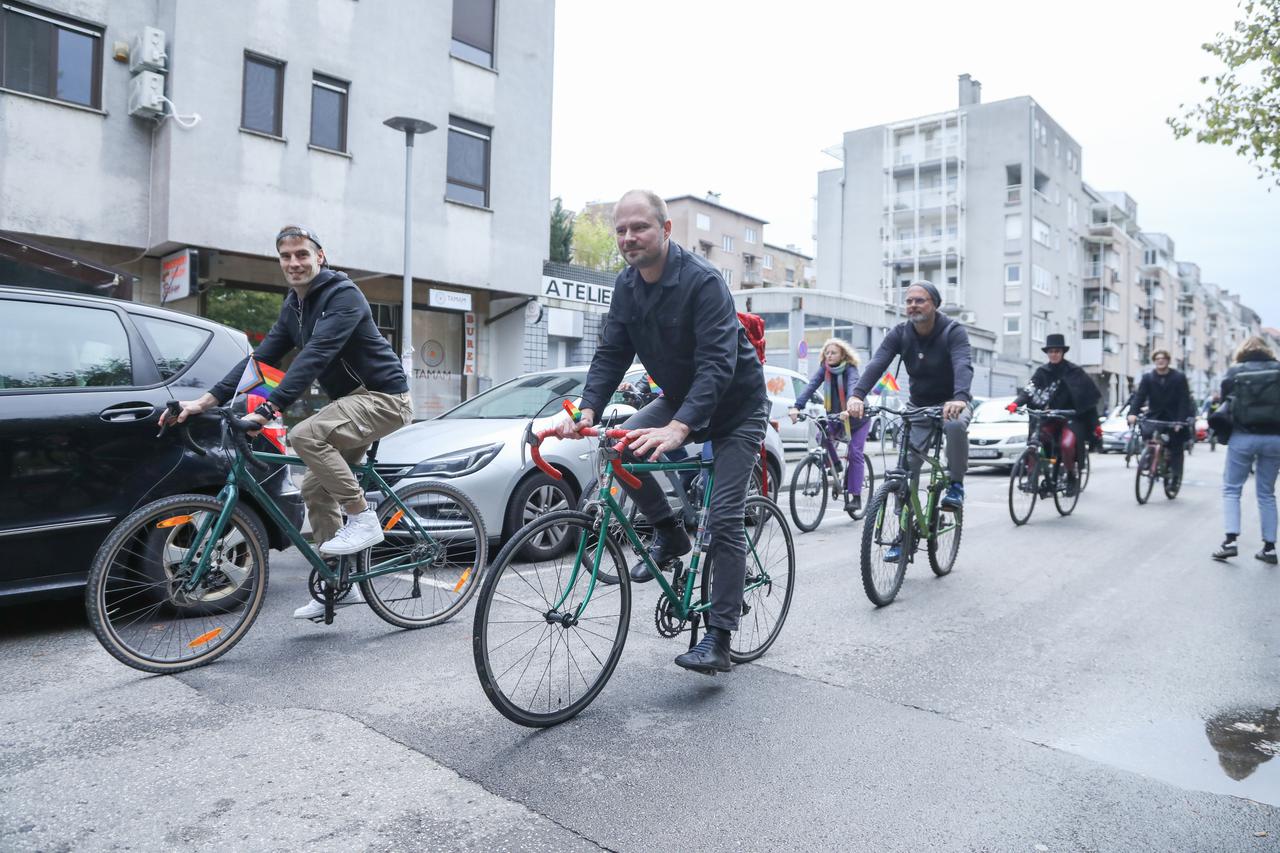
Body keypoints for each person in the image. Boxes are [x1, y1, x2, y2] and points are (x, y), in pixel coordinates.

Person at [556, 189, 769, 675]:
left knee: (725, 519)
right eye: (621, 230)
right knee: (615, 447)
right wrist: (588, 408)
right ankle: (671, 533)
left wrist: (680, 426)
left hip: (737, 406)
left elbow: (718, 364)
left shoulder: (704, 282)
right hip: (678, 396)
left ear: (666, 230)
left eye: (640, 227)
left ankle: (718, 636)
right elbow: (612, 352)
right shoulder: (627, 286)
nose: (629, 237)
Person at [168, 226, 413, 619]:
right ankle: (340, 583)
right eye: (286, 256)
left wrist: (270, 408)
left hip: (385, 398)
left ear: (321, 256)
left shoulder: (343, 295)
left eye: (302, 254)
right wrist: (204, 401)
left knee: (305, 436)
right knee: (316, 486)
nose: (294, 263)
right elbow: (261, 363)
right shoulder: (293, 307)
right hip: (351, 402)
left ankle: (363, 516)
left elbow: (316, 355)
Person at [847, 281, 974, 520]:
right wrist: (857, 395)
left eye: (920, 300)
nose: (913, 305)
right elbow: (878, 363)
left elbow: (962, 364)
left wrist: (960, 398)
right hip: (919, 406)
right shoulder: (900, 333)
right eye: (909, 301)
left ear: (934, 304)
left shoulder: (953, 331)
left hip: (952, 403)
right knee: (907, 466)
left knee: (956, 425)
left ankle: (956, 485)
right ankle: (904, 530)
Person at [1212, 336, 1280, 564]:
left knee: (1232, 489)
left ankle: (1230, 541)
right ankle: (1269, 547)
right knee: (1266, 493)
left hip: (1243, 436)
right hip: (1274, 438)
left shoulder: (1234, 372)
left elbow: (1225, 404)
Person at [1007, 333, 1101, 496]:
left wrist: (1096, 425)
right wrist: (1016, 403)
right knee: (1034, 442)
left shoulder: (1075, 372)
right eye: (1051, 351)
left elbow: (1088, 401)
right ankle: (1032, 477)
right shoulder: (1042, 372)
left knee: (1066, 445)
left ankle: (1071, 476)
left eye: (1057, 351)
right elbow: (1029, 390)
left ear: (1062, 352)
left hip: (1070, 419)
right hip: (1048, 419)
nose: (1054, 354)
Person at [788, 338, 871, 513]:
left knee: (855, 453)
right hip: (836, 417)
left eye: (833, 352)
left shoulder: (850, 370)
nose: (829, 355)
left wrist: (850, 406)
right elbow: (810, 387)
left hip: (856, 419)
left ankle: (856, 497)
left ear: (843, 355)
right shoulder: (824, 370)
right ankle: (837, 466)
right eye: (827, 352)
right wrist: (797, 406)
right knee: (821, 437)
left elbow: (852, 386)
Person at [1126, 349, 1194, 484]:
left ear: (1168, 361)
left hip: (1174, 416)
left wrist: (1180, 421)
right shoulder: (1148, 378)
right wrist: (1132, 413)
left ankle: (1175, 476)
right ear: (1154, 362)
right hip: (1155, 415)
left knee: (1175, 445)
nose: (1160, 361)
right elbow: (1140, 397)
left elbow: (1183, 400)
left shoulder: (1179, 377)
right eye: (1157, 359)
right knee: (1147, 434)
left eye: (1163, 359)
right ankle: (1149, 457)